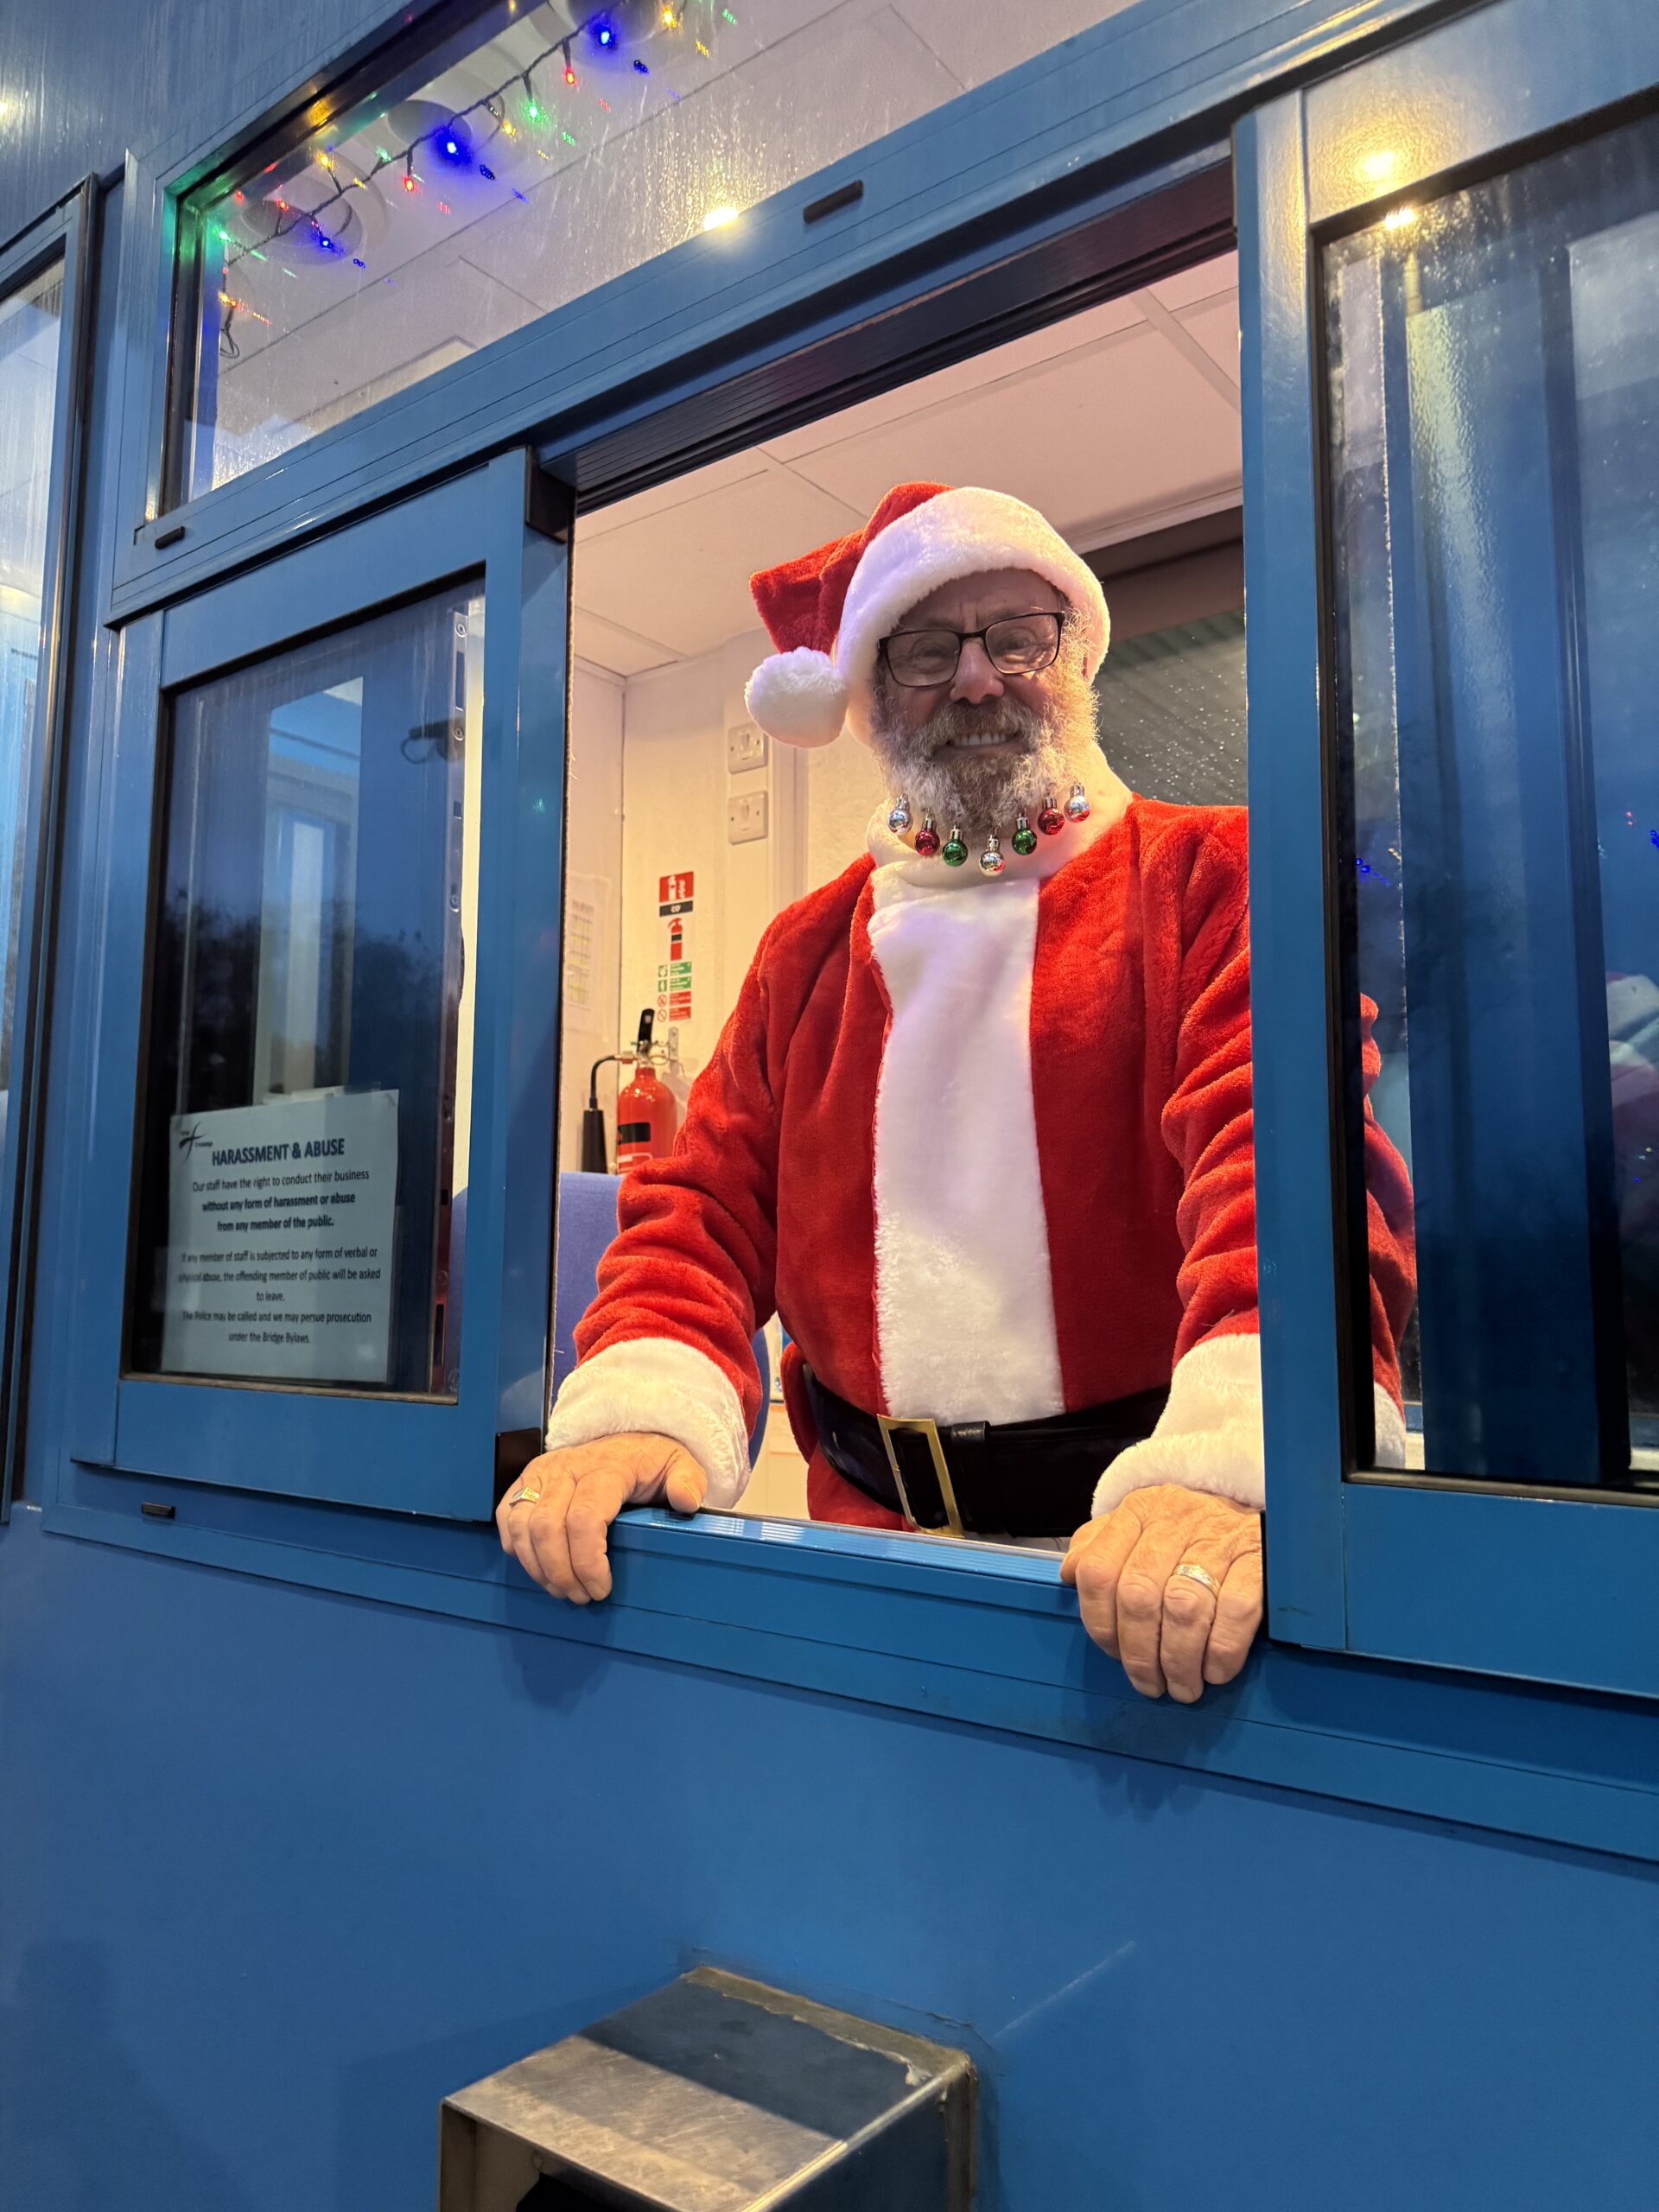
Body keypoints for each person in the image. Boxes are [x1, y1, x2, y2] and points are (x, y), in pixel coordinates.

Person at [499, 482, 1415, 1700]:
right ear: (870, 702)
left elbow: (1288, 1176)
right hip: (864, 1570)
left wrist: (1238, 1467)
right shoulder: (803, 952)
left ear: (1076, 657)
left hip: (1148, 1573)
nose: (978, 680)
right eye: (927, 651)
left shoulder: (1217, 877)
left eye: (1017, 638)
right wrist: (638, 1406)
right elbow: (700, 1211)